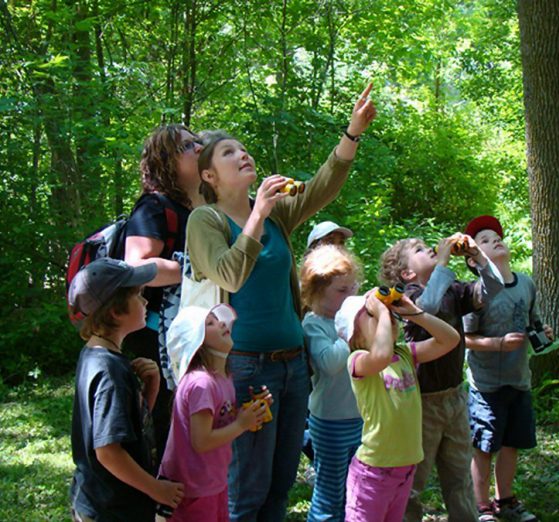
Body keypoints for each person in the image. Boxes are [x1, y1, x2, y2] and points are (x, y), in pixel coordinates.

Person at [186, 84, 376, 520]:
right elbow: (230, 273)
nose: (242, 155)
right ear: (209, 176)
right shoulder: (206, 220)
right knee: (247, 488)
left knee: (281, 484)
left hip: (294, 365)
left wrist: (352, 133)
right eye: (229, 153)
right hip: (247, 367)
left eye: (244, 149)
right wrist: (257, 216)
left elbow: (321, 189)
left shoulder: (272, 212)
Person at [379, 233, 504, 522]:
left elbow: (495, 287)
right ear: (407, 272)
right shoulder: (406, 295)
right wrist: (445, 260)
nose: (431, 248)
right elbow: (429, 306)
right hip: (420, 404)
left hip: (455, 397)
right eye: (421, 249)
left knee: (459, 476)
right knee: (413, 480)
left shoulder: (452, 288)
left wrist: (478, 257)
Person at [68, 258, 184, 521]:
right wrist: (156, 489)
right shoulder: (110, 371)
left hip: (101, 499)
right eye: (138, 295)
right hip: (112, 509)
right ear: (115, 312)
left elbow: (128, 428)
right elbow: (108, 452)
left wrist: (151, 389)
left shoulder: (96, 355)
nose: (145, 302)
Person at [336, 290, 460, 522]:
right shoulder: (358, 360)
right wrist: (382, 311)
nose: (386, 317)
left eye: (388, 315)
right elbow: (381, 355)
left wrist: (415, 314)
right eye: (371, 315)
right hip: (372, 473)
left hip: (405, 469)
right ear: (355, 337)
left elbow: (450, 340)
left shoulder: (404, 354)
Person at [123, 124, 206, 465]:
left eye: (199, 142)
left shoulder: (199, 209)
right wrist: (200, 268)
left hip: (190, 334)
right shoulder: (154, 208)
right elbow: (135, 266)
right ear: (166, 162)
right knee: (162, 427)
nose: (199, 149)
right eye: (188, 146)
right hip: (154, 337)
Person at [463, 215, 554, 522]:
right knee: (485, 446)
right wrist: (498, 343)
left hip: (519, 379)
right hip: (486, 383)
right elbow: (465, 338)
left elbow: (532, 322)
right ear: (476, 261)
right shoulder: (476, 293)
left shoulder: (525, 283)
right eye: (485, 241)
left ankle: (506, 500)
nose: (495, 241)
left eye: (496, 237)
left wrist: (543, 334)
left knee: (512, 442)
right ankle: (481, 504)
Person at [157, 303, 271, 521]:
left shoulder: (223, 377)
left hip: (213, 480)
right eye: (209, 323)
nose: (221, 322)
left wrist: (251, 412)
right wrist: (241, 424)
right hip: (193, 488)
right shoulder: (201, 384)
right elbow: (202, 440)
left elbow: (221, 421)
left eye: (217, 319)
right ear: (196, 343)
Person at [299, 245, 363, 521]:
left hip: (359, 418)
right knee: (329, 494)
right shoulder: (314, 324)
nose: (350, 296)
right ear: (316, 290)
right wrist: (349, 329)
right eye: (341, 290)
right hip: (330, 421)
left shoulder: (349, 321)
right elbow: (330, 364)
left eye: (353, 288)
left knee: (355, 490)